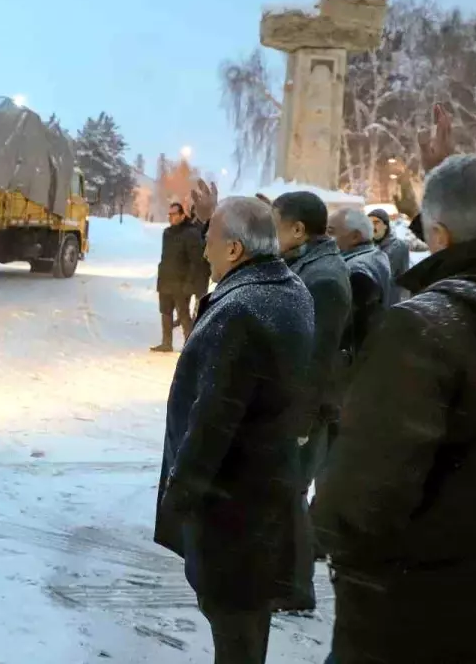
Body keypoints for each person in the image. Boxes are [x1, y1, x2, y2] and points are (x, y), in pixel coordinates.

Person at [313, 154, 476, 664]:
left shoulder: (427, 328)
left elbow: (359, 499)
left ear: (441, 235)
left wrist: (327, 531)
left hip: (425, 618)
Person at [154, 197, 315, 663]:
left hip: (234, 503)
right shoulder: (289, 289)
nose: (204, 250)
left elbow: (215, 416)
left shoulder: (241, 309)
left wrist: (181, 493)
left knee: (234, 622)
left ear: (234, 250)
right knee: (244, 622)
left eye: (210, 241)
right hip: (262, 493)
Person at [270, 191, 353, 611]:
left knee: (291, 496)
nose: (271, 233)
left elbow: (317, 357)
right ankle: (284, 581)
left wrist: (300, 421)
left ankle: (296, 589)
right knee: (285, 495)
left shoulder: (323, 277)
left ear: (298, 229)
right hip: (299, 403)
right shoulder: (307, 262)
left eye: (275, 223)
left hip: (308, 409)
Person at [327, 207, 391, 361]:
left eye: (331, 231)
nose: (326, 237)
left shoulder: (354, 271)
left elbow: (352, 330)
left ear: (355, 236)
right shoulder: (376, 255)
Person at [152, 202, 204, 352]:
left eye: (174, 214)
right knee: (165, 312)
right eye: (169, 214)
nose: (171, 217)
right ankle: (166, 343)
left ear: (182, 215)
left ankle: (190, 347)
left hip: (181, 283)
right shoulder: (167, 233)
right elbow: (165, 257)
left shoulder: (191, 233)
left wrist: (190, 283)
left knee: (183, 315)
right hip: (166, 280)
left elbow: (196, 261)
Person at [368, 208, 410, 303]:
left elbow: (404, 279)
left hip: (392, 302)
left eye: (376, 223)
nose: (372, 227)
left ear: (385, 225)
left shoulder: (399, 246)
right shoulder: (368, 246)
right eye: (369, 223)